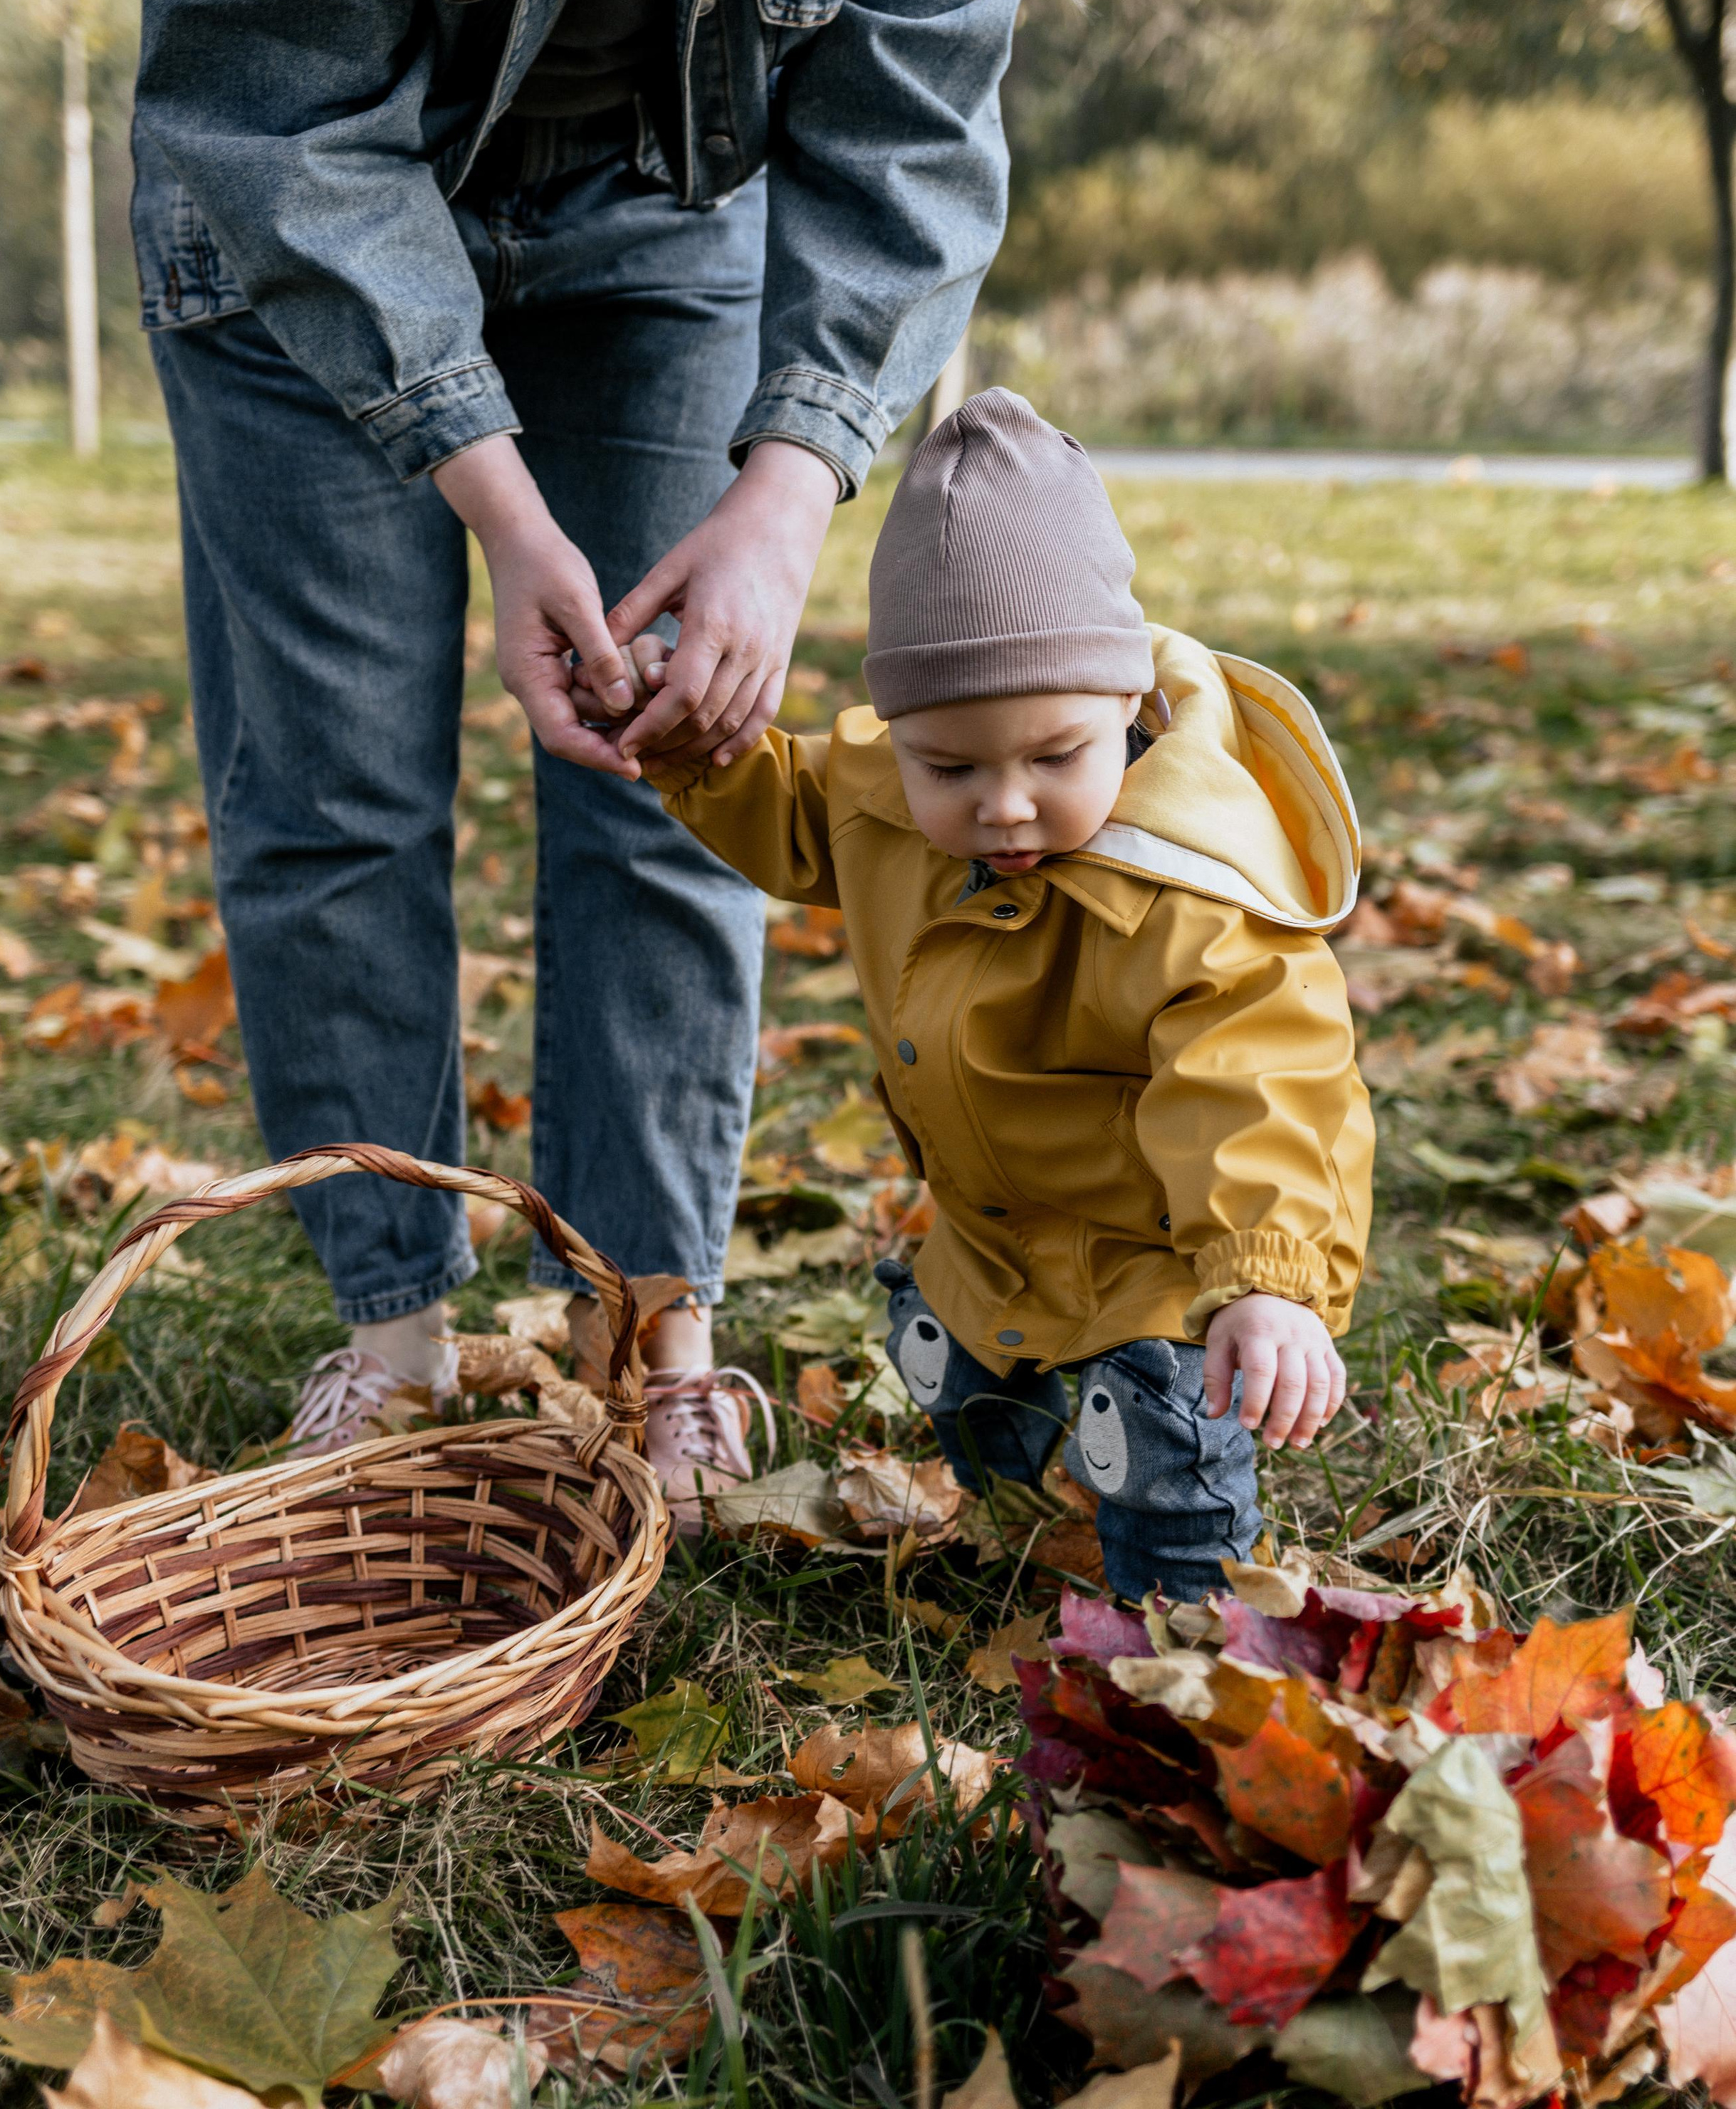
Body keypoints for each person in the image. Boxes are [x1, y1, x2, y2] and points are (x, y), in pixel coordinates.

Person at [130, 0, 1402, 1516]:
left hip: (663, 218)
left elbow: (911, 129)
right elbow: (273, 99)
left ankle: (656, 1329)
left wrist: (787, 489)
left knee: (670, 766)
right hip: (302, 220)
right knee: (333, 786)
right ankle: (399, 1328)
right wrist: (501, 497)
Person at [579, 390, 1372, 1596]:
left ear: (1128, 707)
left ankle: (1185, 1629)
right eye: (949, 766)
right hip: (994, 1238)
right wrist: (689, 741)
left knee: (1159, 1449)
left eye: (1056, 757)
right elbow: (803, 813)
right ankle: (1021, 1542)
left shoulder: (1196, 896)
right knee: (980, 1393)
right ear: (898, 734)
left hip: (1158, 1258)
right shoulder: (891, 795)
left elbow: (1261, 1085)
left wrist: (1264, 1276)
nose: (1003, 804)